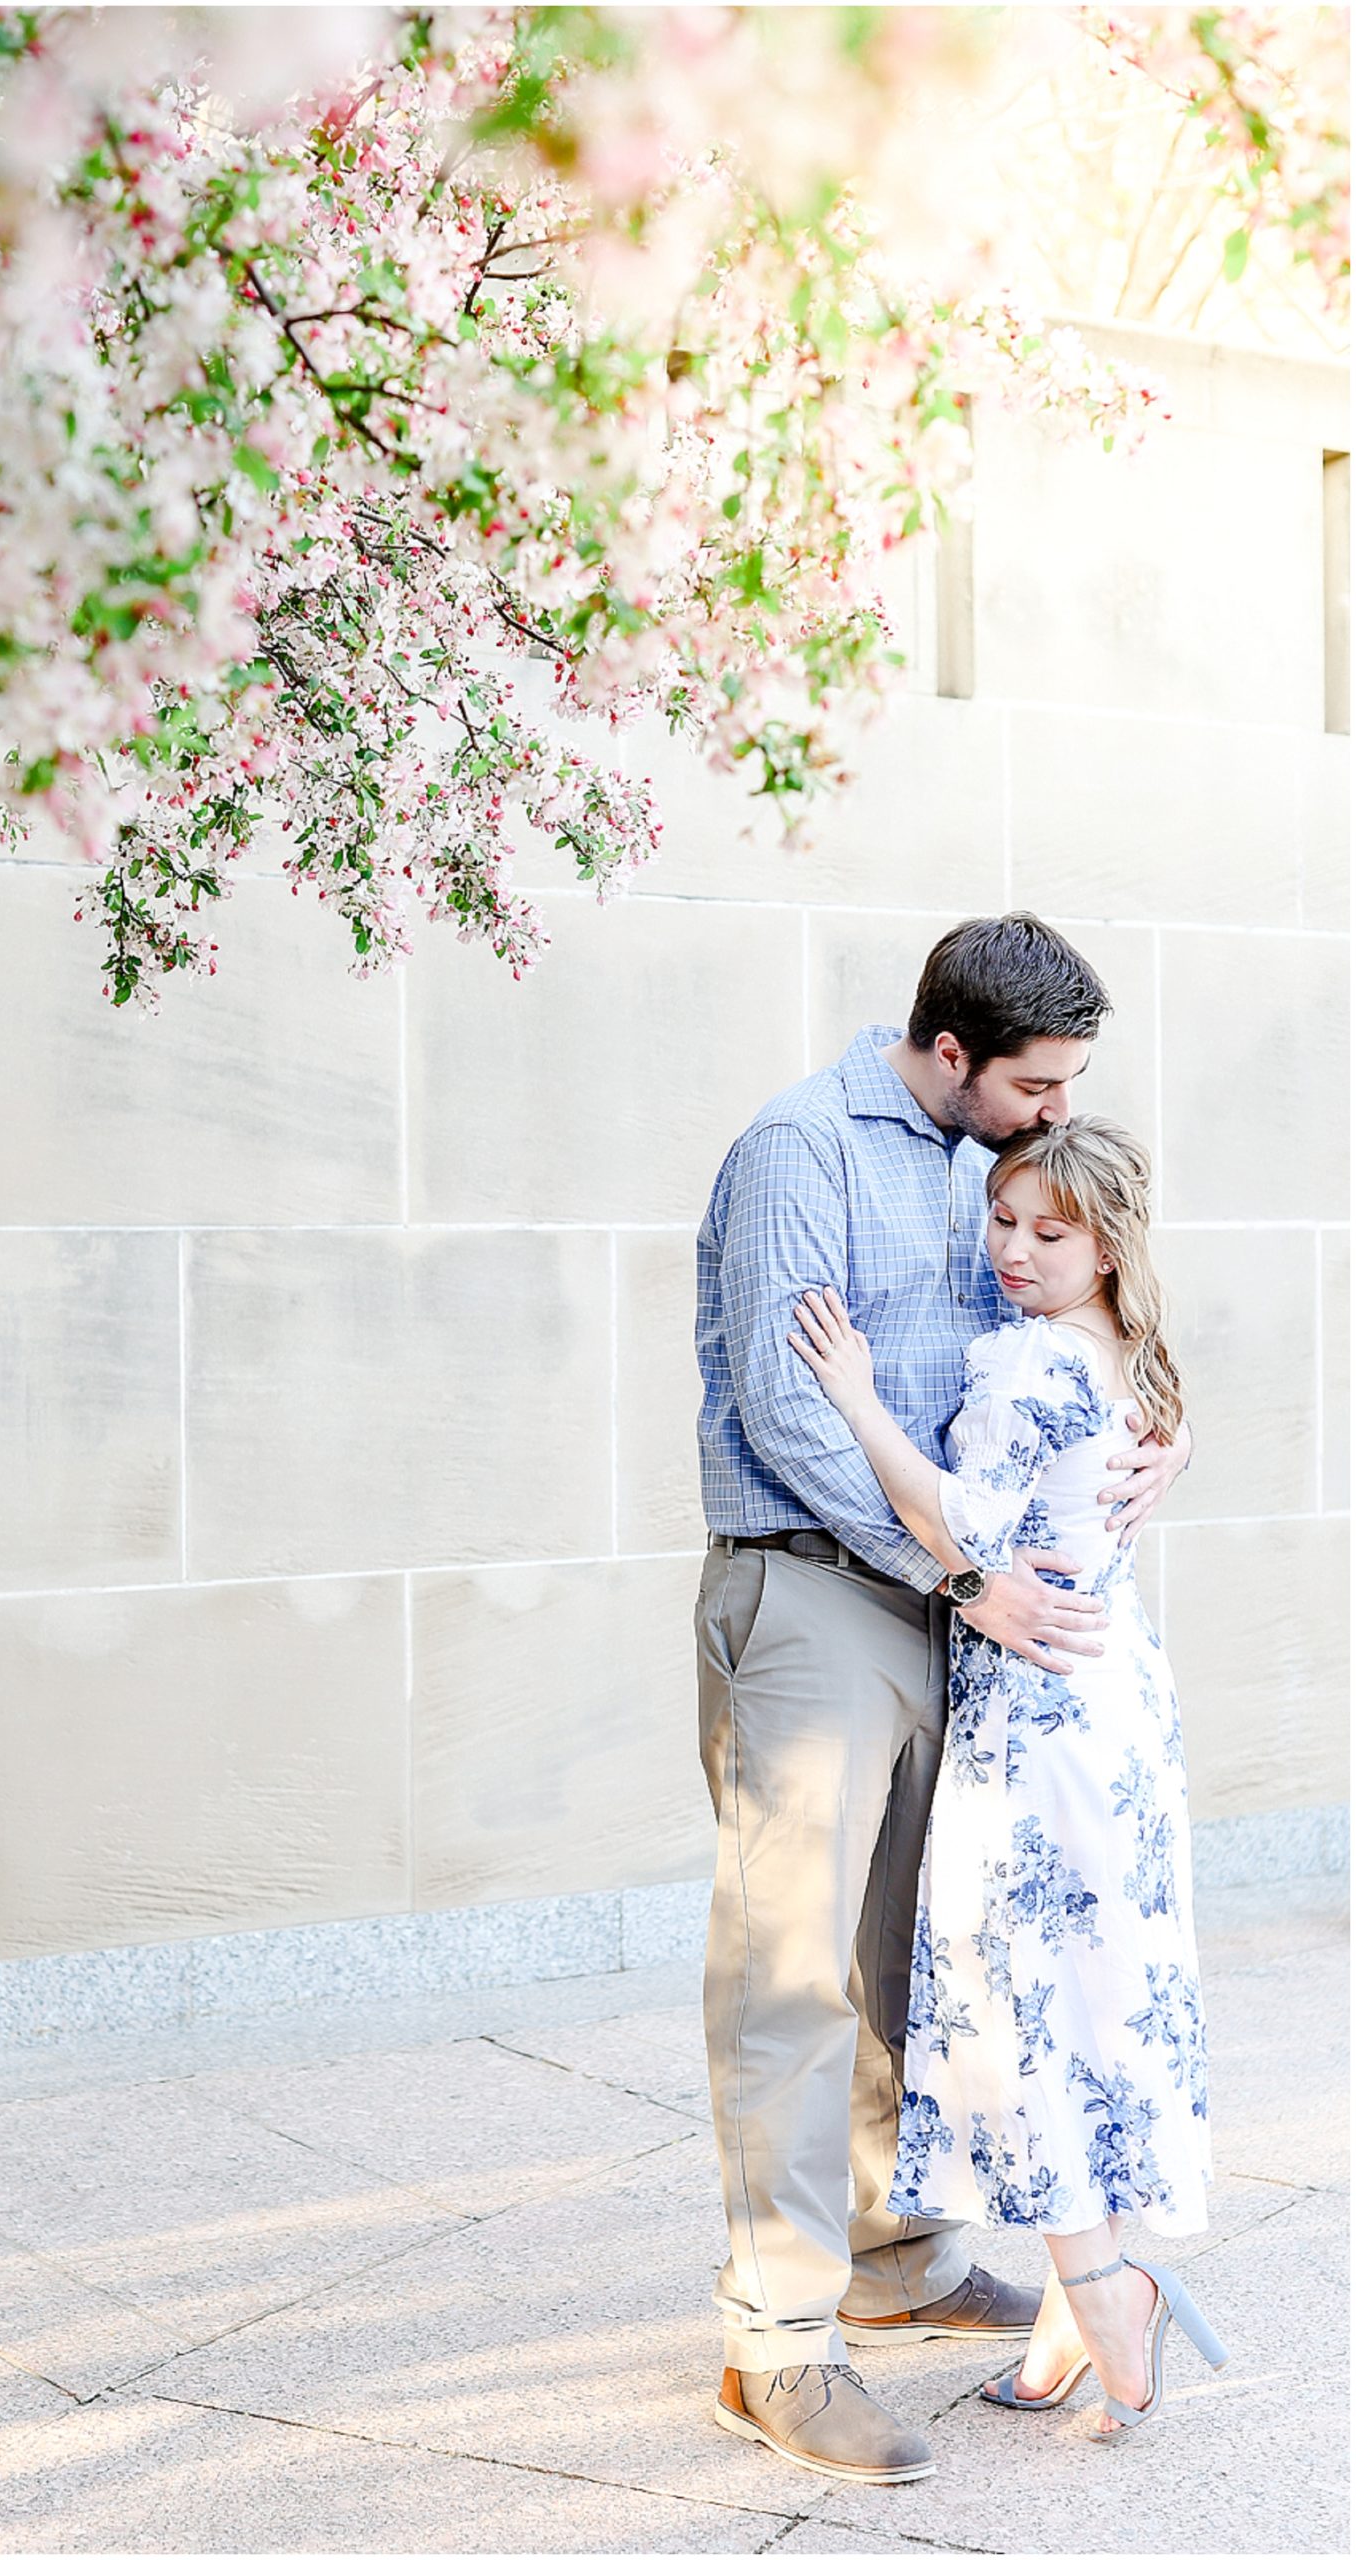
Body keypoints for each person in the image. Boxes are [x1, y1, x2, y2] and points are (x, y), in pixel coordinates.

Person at [694, 913, 1192, 2487]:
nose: (1055, 1112)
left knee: (920, 1953)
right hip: (821, 1587)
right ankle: (774, 2345)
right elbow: (788, 1400)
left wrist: (1155, 1437)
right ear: (954, 1055)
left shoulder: (989, 1169)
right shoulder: (798, 1151)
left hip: (959, 1611)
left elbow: (1070, 1329)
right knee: (789, 1973)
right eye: (1037, 1084)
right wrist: (965, 1574)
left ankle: (894, 2252)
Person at [788, 1115, 1223, 2441]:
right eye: (1002, 1222)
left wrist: (854, 1396)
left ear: (1106, 1247)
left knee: (1027, 2003)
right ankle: (1066, 2325)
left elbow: (957, 1525)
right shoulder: (1131, 1353)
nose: (1013, 1252)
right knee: (1104, 1997)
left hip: (1041, 1723)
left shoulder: (1033, 1366)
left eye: (1049, 1232)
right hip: (1116, 1706)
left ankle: (1107, 2293)